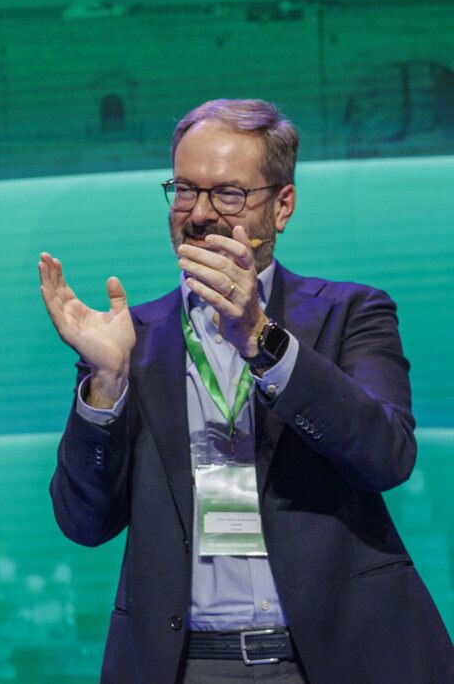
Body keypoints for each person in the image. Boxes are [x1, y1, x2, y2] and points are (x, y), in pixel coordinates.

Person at [40, 98, 454, 684]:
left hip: (335, 656)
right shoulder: (134, 337)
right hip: (187, 664)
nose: (199, 213)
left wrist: (262, 338)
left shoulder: (350, 312)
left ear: (281, 205)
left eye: (228, 193)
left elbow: (387, 457)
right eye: (184, 190)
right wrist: (105, 384)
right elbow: (84, 523)